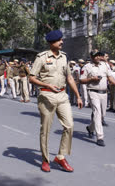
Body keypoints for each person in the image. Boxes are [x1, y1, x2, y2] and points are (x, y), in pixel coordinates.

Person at [29, 30, 83, 173]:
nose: (62, 42)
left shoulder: (64, 57)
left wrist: (78, 95)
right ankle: (45, 160)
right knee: (45, 130)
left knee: (69, 125)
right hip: (46, 96)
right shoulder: (41, 57)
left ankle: (60, 156)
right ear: (52, 43)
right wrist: (46, 85)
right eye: (59, 40)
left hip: (62, 95)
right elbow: (31, 77)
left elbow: (70, 78)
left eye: (61, 40)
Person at [80, 50, 115, 147]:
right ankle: (100, 137)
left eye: (98, 56)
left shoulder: (105, 65)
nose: (97, 58)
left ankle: (90, 128)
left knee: (102, 115)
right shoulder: (87, 67)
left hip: (104, 93)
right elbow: (81, 80)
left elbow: (110, 76)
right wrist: (91, 79)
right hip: (93, 92)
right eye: (94, 56)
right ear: (91, 57)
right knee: (97, 113)